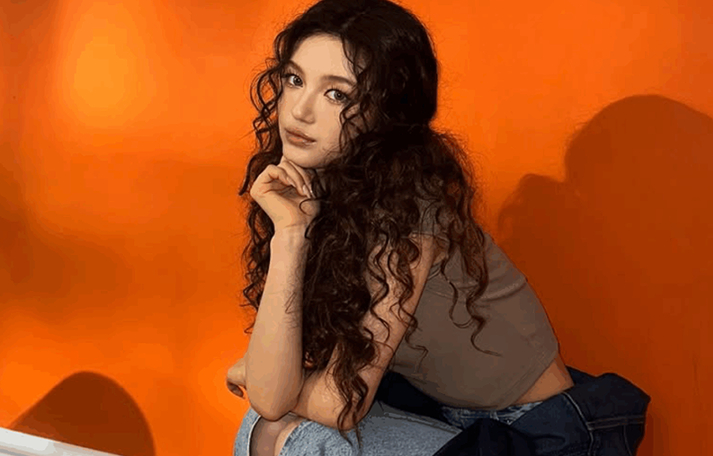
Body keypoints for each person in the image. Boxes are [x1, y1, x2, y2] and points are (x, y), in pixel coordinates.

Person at [225, 1, 650, 455]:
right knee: (262, 426)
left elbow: (336, 403)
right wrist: (290, 235)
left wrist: (265, 377)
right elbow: (282, 394)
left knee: (305, 437)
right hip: (440, 414)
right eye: (295, 80)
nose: (300, 111)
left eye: (338, 94)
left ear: (385, 112)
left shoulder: (408, 211)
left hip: (535, 434)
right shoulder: (321, 193)